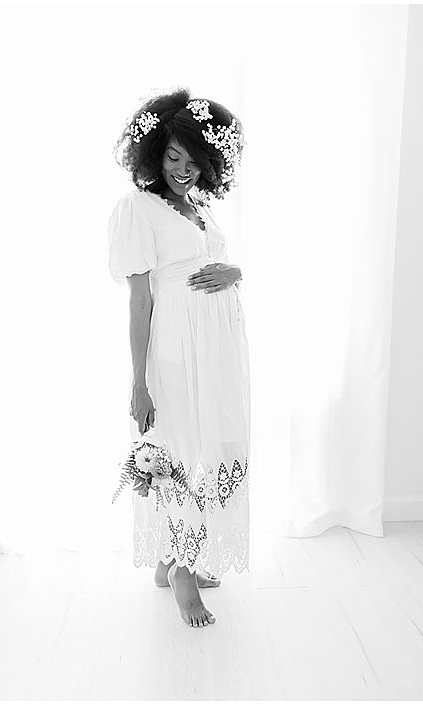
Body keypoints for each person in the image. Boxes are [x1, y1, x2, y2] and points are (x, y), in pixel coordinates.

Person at [108, 90, 251, 629]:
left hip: (218, 350)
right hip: (174, 350)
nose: (183, 171)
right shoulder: (137, 208)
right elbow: (140, 299)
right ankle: (183, 577)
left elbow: (218, 264)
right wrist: (140, 382)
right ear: (153, 153)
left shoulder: (202, 209)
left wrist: (236, 273)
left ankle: (174, 558)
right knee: (177, 446)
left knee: (215, 442)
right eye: (173, 158)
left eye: (195, 162)